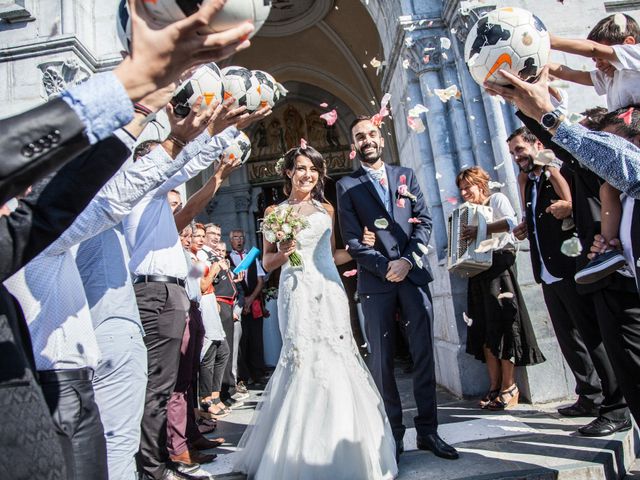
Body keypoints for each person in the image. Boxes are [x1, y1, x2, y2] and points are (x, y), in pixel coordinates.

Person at [234, 144, 397, 479]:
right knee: (302, 359)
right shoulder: (275, 213)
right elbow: (267, 262)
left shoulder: (327, 208)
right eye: (300, 168)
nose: (307, 175)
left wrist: (360, 250)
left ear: (319, 175)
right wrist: (285, 252)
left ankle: (347, 444)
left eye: (313, 169)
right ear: (289, 172)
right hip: (295, 292)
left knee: (337, 358)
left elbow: (333, 254)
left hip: (329, 290)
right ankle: (298, 451)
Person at [336, 116, 457, 461]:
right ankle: (393, 435)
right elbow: (353, 240)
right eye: (360, 136)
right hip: (377, 283)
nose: (367, 140)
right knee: (383, 360)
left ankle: (429, 432)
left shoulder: (406, 176)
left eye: (371, 134)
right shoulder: (347, 186)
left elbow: (425, 221)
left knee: (422, 355)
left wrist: (406, 261)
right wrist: (384, 266)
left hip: (413, 276)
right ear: (354, 146)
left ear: (381, 139)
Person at [507, 127, 626, 424]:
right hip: (547, 272)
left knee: (591, 336)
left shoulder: (558, 173)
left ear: (536, 144)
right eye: (512, 153)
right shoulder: (529, 183)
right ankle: (589, 395)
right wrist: (525, 227)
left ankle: (615, 405)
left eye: (520, 149)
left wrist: (569, 206)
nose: (517, 157)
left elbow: (581, 209)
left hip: (571, 267)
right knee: (569, 339)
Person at [548, 14, 640, 283]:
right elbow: (571, 74)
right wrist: (540, 66)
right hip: (622, 136)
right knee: (608, 186)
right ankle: (610, 249)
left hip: (634, 127)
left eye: (600, 58)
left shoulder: (633, 57)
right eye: (596, 62)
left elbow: (594, 49)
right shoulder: (608, 77)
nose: (597, 63)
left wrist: (549, 41)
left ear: (628, 43)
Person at [456, 167, 546, 410]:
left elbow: (510, 223)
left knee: (504, 327)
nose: (465, 192)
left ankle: (510, 387)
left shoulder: (497, 198)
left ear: (480, 184)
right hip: (478, 272)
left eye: (468, 186)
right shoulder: (466, 212)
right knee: (485, 328)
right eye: (461, 189)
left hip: (498, 269)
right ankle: (494, 386)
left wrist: (479, 230)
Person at [229, 228, 268, 387]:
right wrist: (242, 301)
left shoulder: (252, 258)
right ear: (231, 240)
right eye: (235, 237)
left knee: (256, 339)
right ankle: (242, 377)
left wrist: (250, 300)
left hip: (253, 302)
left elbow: (260, 281)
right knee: (241, 341)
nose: (239, 240)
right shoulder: (226, 259)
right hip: (237, 304)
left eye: (241, 237)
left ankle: (258, 373)